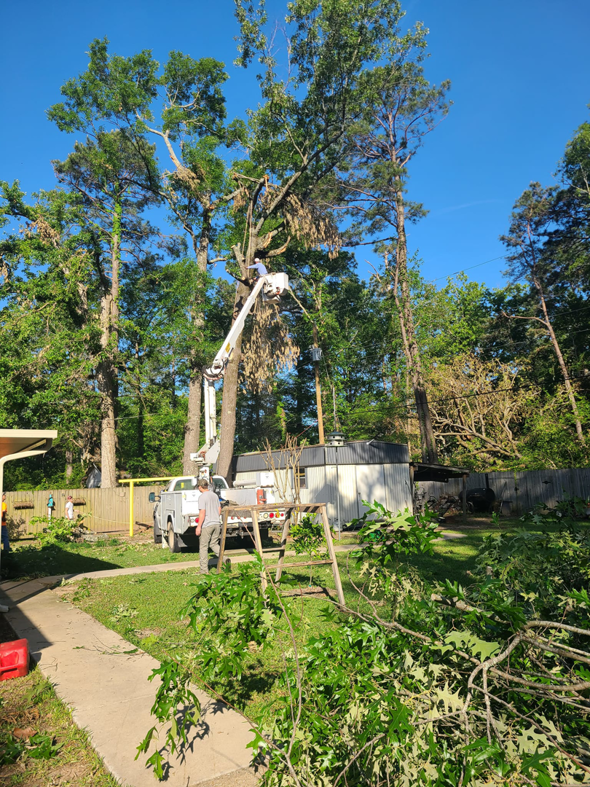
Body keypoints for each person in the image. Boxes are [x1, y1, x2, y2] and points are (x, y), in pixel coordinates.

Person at [195, 479, 222, 574]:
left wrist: (199, 526)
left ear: (200, 487)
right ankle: (224, 558)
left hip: (207, 524)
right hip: (217, 523)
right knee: (214, 544)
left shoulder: (202, 497)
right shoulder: (214, 495)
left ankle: (204, 570)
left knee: (203, 546)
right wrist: (216, 517)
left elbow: (202, 512)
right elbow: (219, 509)